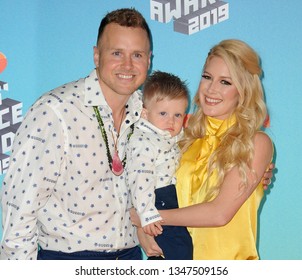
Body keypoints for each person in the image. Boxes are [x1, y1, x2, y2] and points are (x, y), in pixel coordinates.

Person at [0, 8, 153, 260]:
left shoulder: (148, 115)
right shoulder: (55, 112)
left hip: (130, 258)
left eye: (137, 55)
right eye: (116, 53)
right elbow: (19, 211)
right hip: (67, 260)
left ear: (148, 60)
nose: (128, 65)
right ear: (96, 55)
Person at [133, 39, 274, 260]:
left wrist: (146, 217)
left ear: (243, 90)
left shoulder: (256, 143)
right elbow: (145, 177)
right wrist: (141, 228)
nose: (211, 89)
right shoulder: (182, 137)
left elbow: (219, 213)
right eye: (207, 77)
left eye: (225, 82)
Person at [125, 71, 193, 260]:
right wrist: (147, 214)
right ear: (145, 113)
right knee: (178, 248)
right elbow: (140, 178)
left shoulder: (166, 134)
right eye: (163, 113)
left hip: (169, 196)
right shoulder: (144, 141)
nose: (171, 121)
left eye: (177, 115)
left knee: (175, 247)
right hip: (156, 198)